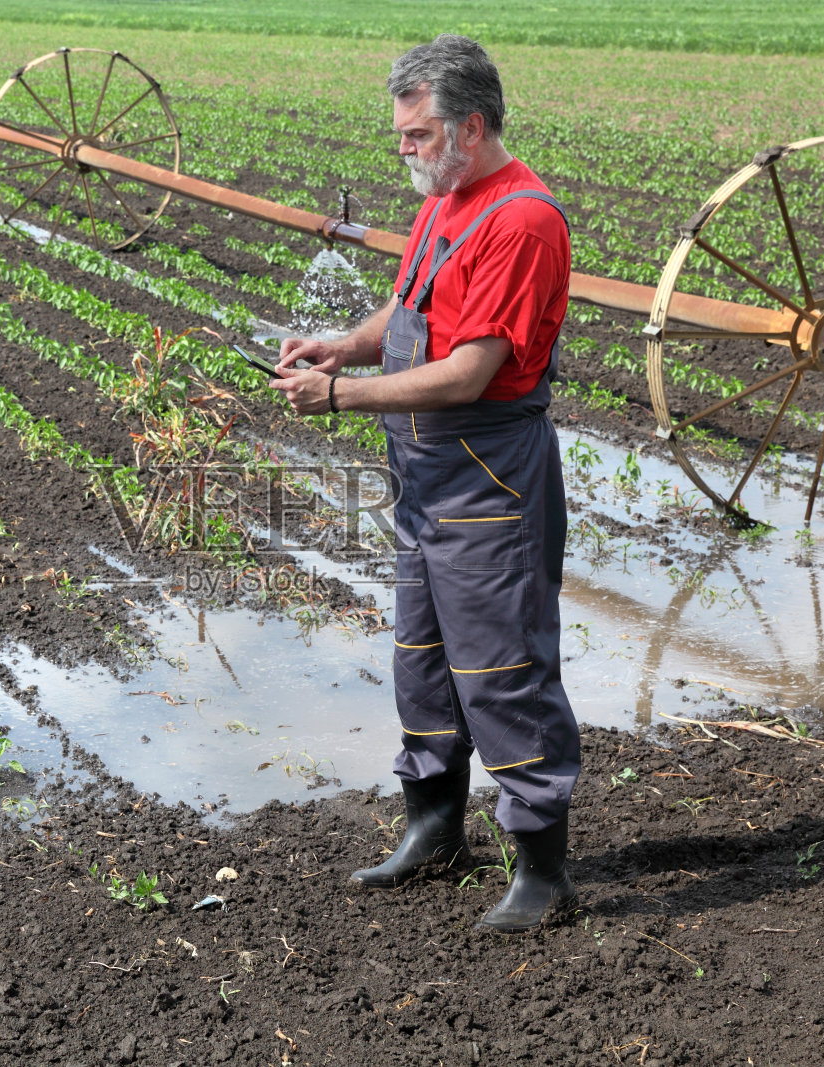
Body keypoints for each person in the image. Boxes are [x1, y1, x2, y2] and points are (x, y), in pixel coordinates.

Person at [270, 34, 579, 932]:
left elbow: (470, 370)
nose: (404, 149)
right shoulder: (451, 199)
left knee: (503, 667)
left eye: (417, 134)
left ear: (470, 127)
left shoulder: (522, 220)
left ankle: (543, 872)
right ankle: (436, 829)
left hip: (489, 477)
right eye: (402, 134)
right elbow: (412, 308)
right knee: (425, 658)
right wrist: (344, 345)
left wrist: (339, 395)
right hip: (425, 473)